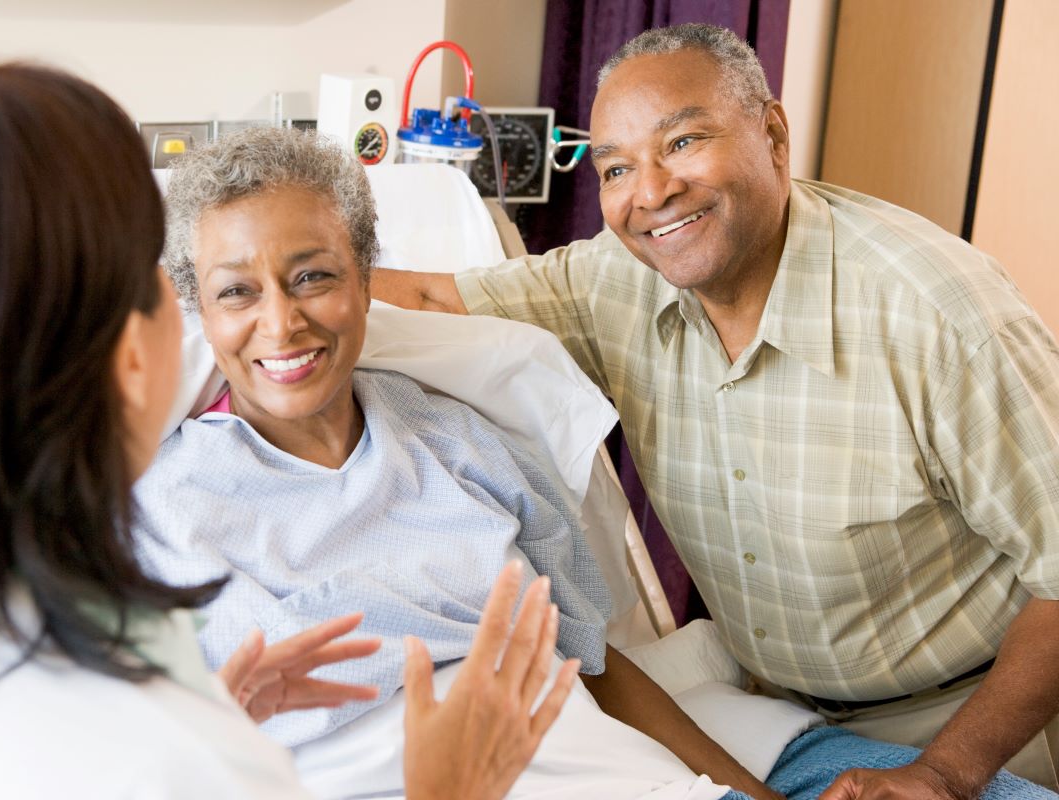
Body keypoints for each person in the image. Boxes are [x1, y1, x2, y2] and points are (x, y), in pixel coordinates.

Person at [370, 22, 1059, 800]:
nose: (651, 191)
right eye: (617, 167)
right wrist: (241, 296)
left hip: (984, 721)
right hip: (783, 720)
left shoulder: (940, 318)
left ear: (772, 133)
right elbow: (430, 298)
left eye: (685, 141)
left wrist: (943, 772)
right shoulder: (615, 281)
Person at [0, 61, 580, 799]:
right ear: (128, 351)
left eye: (314, 277)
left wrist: (215, 715)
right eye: (161, 287)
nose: (275, 320)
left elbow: (593, 647)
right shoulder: (133, 714)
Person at [138, 125, 763, 800]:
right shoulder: (161, 510)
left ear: (365, 281)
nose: (282, 321)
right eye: (237, 292)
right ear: (195, 307)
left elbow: (594, 664)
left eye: (314, 276)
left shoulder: (461, 441)